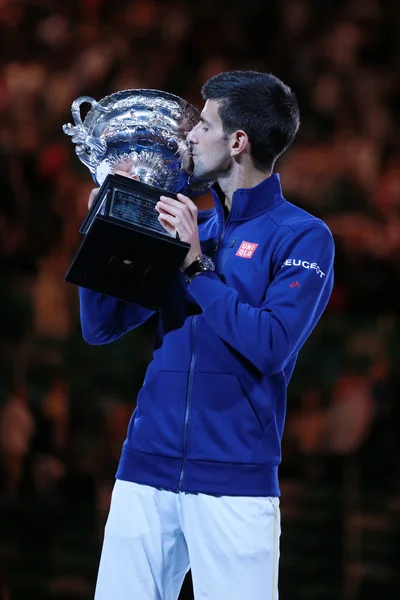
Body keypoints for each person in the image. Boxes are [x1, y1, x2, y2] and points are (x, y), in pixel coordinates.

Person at [80, 70, 335, 600]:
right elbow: (101, 326)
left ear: (238, 142)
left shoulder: (303, 236)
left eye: (204, 124)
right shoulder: (188, 225)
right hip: (144, 470)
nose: (188, 136)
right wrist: (108, 227)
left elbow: (270, 344)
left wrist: (198, 269)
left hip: (234, 483)